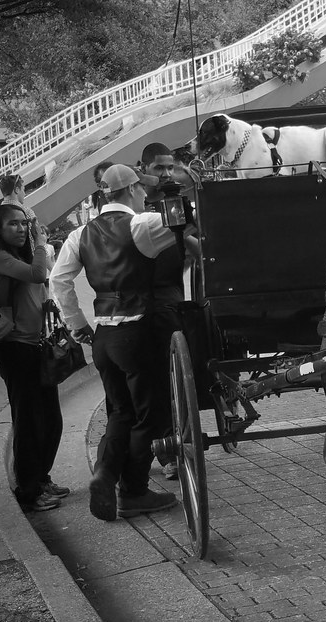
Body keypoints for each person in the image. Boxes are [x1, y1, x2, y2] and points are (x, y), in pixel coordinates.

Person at [50, 164, 196, 522]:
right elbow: (185, 226)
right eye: (140, 189)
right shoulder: (141, 225)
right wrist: (177, 196)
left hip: (104, 335)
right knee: (151, 415)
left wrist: (78, 324)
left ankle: (104, 472)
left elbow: (59, 280)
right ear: (131, 190)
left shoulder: (79, 234)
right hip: (139, 330)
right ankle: (132, 490)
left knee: (119, 411)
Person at [0, 204, 68, 512]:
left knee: (51, 420)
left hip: (35, 346)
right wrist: (42, 242)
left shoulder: (20, 255)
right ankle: (28, 490)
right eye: (13, 225)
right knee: (29, 421)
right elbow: (38, 273)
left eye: (23, 223)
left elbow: (36, 284)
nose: (20, 229)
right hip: (15, 349)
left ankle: (41, 478)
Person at [138, 142, 192, 481]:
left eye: (171, 168)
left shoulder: (181, 203)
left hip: (173, 296)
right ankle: (160, 452)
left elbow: (191, 242)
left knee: (177, 376)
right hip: (140, 301)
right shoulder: (133, 206)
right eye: (159, 169)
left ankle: (175, 447)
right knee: (152, 382)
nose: (168, 174)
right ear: (143, 171)